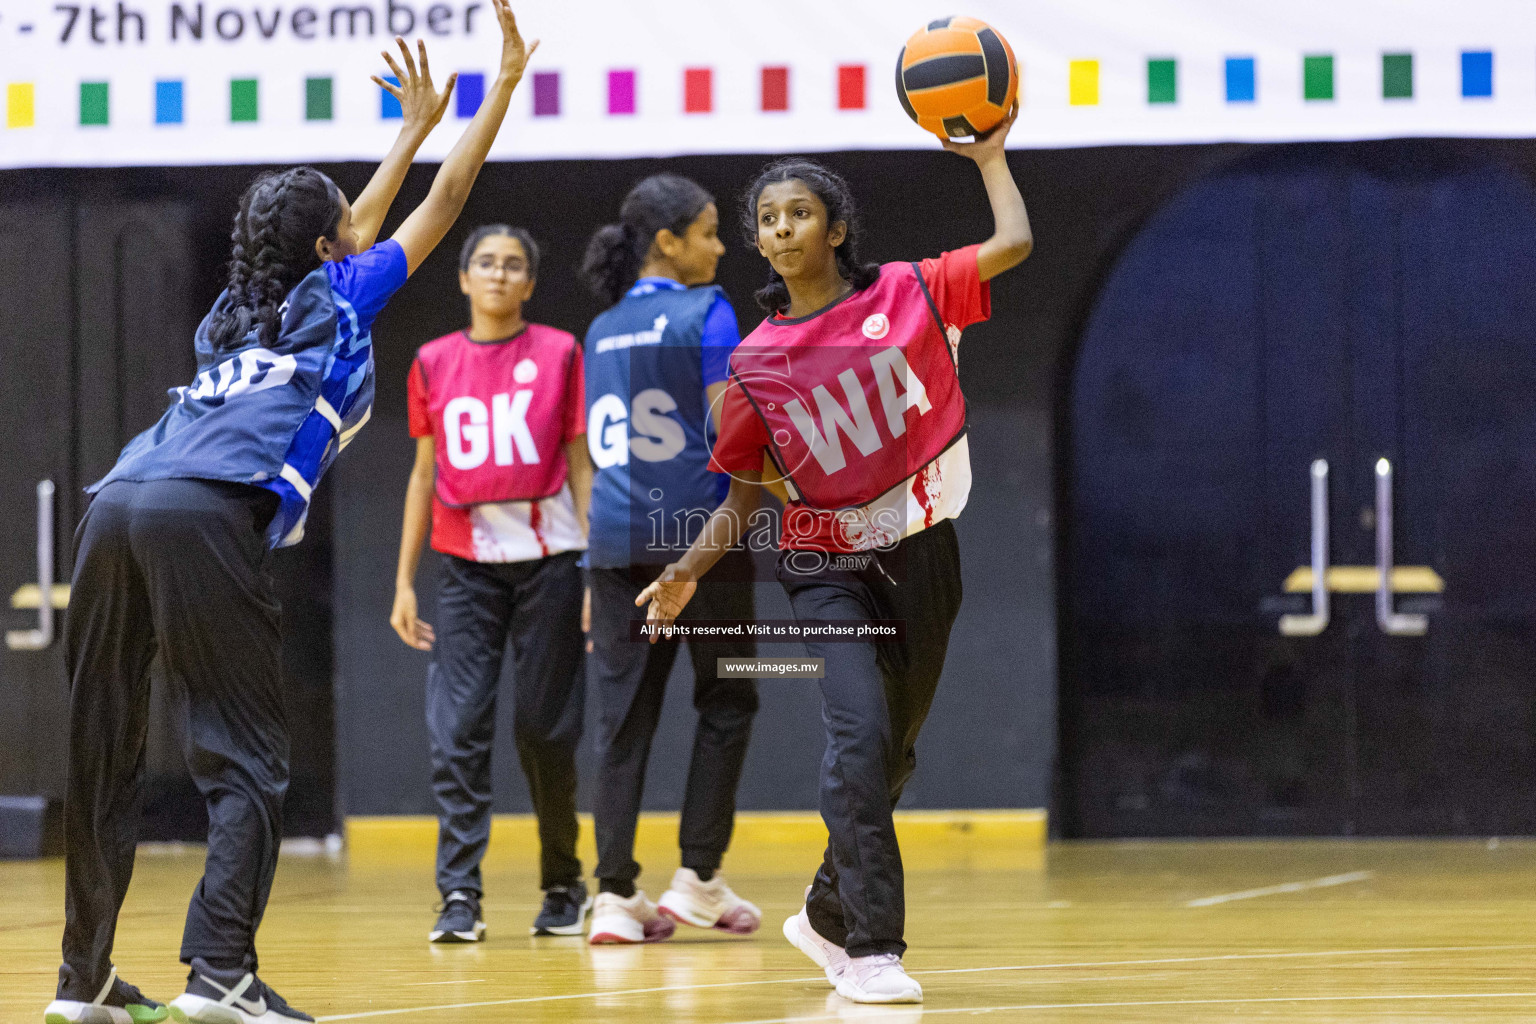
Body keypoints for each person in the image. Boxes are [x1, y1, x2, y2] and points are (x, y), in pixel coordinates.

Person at [46, 8, 537, 1023]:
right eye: (342, 225)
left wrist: (403, 132)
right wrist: (498, 91)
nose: (357, 228)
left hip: (116, 500)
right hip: (202, 510)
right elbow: (445, 200)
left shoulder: (226, 316)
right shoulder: (341, 298)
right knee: (248, 763)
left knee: (104, 750)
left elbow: (344, 220)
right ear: (328, 244)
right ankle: (220, 973)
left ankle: (79, 982)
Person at [636, 107, 1031, 1003]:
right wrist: (687, 570)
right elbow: (743, 501)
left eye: (799, 212)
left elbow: (1014, 238)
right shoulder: (755, 364)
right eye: (767, 219)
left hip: (925, 553)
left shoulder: (911, 292)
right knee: (857, 737)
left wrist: (992, 156)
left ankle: (823, 911)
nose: (781, 228)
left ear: (836, 228)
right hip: (825, 572)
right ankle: (872, 948)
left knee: (891, 754)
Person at [577, 174, 767, 944]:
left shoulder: (600, 329)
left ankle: (614, 897)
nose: (721, 247)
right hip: (700, 538)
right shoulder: (707, 311)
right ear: (668, 241)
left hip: (614, 540)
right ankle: (697, 880)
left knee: (621, 722)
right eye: (711, 231)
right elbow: (733, 432)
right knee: (729, 700)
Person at [391, 224, 592, 942]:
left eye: (514, 265)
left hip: (552, 563)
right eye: (486, 263)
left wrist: (596, 568)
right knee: (458, 730)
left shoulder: (562, 352)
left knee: (544, 732)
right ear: (465, 279)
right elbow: (422, 476)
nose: (500, 275)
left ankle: (564, 882)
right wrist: (404, 581)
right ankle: (459, 896)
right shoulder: (432, 361)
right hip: (465, 567)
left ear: (530, 284)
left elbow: (581, 465)